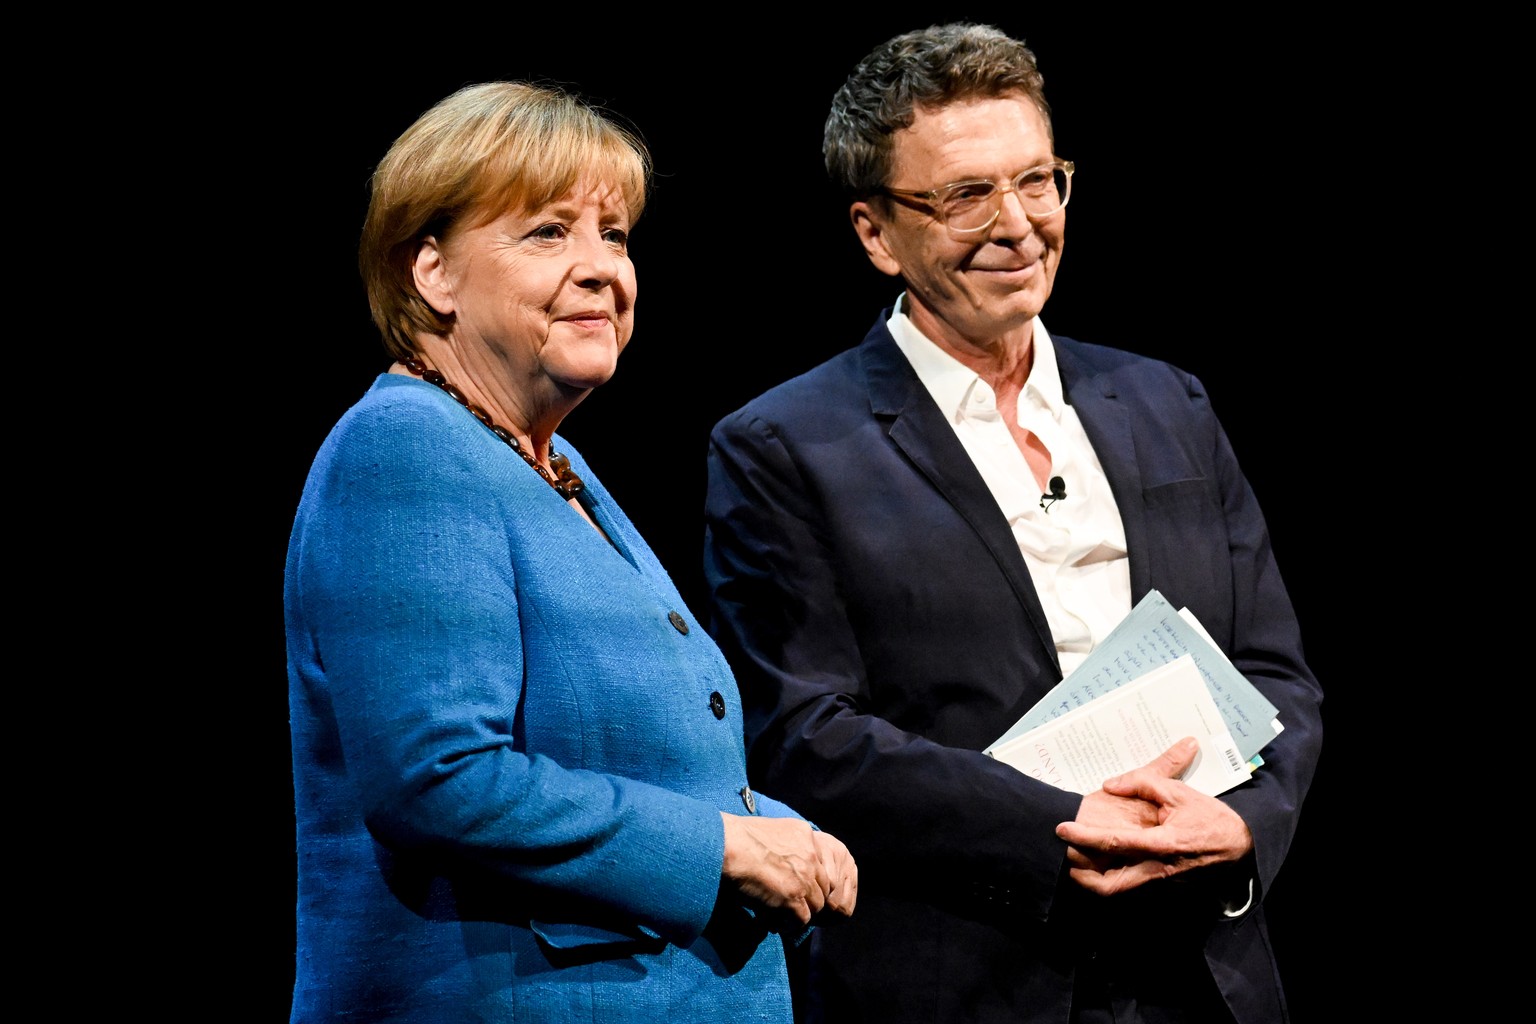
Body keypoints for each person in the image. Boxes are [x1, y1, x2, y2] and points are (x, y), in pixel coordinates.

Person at [701, 23, 1322, 1024]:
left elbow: (1276, 671)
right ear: (874, 233)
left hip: (1202, 974)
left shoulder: (1167, 400)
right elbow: (805, 734)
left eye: (1038, 181)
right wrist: (1070, 822)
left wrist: (1244, 823)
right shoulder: (783, 446)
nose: (1019, 224)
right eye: (964, 195)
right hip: (972, 976)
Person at [284, 80, 857, 1024]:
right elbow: (439, 777)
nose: (601, 269)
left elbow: (636, 754)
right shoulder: (406, 449)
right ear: (433, 272)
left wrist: (773, 832)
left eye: (615, 235)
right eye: (548, 232)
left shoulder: (552, 462)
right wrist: (720, 850)